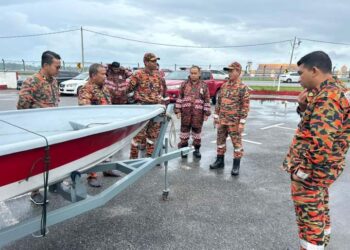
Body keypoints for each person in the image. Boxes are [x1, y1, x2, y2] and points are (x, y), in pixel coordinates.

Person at [282, 51, 350, 249]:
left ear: (314, 70)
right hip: (325, 168)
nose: (299, 79)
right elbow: (318, 125)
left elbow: (321, 142)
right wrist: (303, 108)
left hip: (314, 171)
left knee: (309, 218)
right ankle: (322, 243)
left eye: (301, 73)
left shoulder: (328, 96)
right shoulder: (333, 90)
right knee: (319, 210)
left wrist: (303, 171)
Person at [17, 50, 61, 205]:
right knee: (37, 160)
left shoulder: (54, 81)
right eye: (57, 67)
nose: (59, 70)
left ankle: (54, 181)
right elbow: (22, 106)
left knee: (52, 157)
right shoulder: (32, 81)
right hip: (37, 129)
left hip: (52, 127)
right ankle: (34, 191)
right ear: (46, 65)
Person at [78, 63, 121, 188]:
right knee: (93, 151)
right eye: (102, 74)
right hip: (95, 126)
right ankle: (92, 176)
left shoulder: (104, 89)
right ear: (93, 75)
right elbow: (84, 109)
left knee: (108, 148)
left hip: (107, 124)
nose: (105, 77)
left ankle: (107, 169)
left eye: (105, 74)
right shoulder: (86, 89)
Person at [209, 62, 250, 176]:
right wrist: (216, 116)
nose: (229, 73)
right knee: (220, 141)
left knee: (237, 144)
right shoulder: (224, 85)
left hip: (234, 122)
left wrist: (242, 122)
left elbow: (245, 106)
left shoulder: (242, 88)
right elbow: (219, 102)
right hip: (222, 120)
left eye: (232, 71)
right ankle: (219, 161)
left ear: (238, 72)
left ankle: (236, 166)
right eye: (229, 71)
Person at [127, 53, 166, 159]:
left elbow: (160, 92)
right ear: (146, 62)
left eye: (156, 61)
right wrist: (135, 102)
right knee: (138, 135)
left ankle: (150, 157)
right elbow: (128, 90)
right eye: (153, 61)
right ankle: (133, 159)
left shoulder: (157, 76)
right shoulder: (138, 75)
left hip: (155, 109)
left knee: (153, 135)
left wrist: (161, 105)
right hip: (142, 109)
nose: (155, 63)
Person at [174, 65, 211, 158]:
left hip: (198, 115)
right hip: (185, 114)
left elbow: (207, 100)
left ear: (199, 74)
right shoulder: (184, 84)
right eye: (192, 73)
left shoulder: (204, 85)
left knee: (197, 133)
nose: (193, 75)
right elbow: (180, 98)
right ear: (189, 74)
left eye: (195, 73)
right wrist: (178, 110)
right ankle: (184, 149)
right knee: (184, 132)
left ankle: (196, 149)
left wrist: (206, 113)